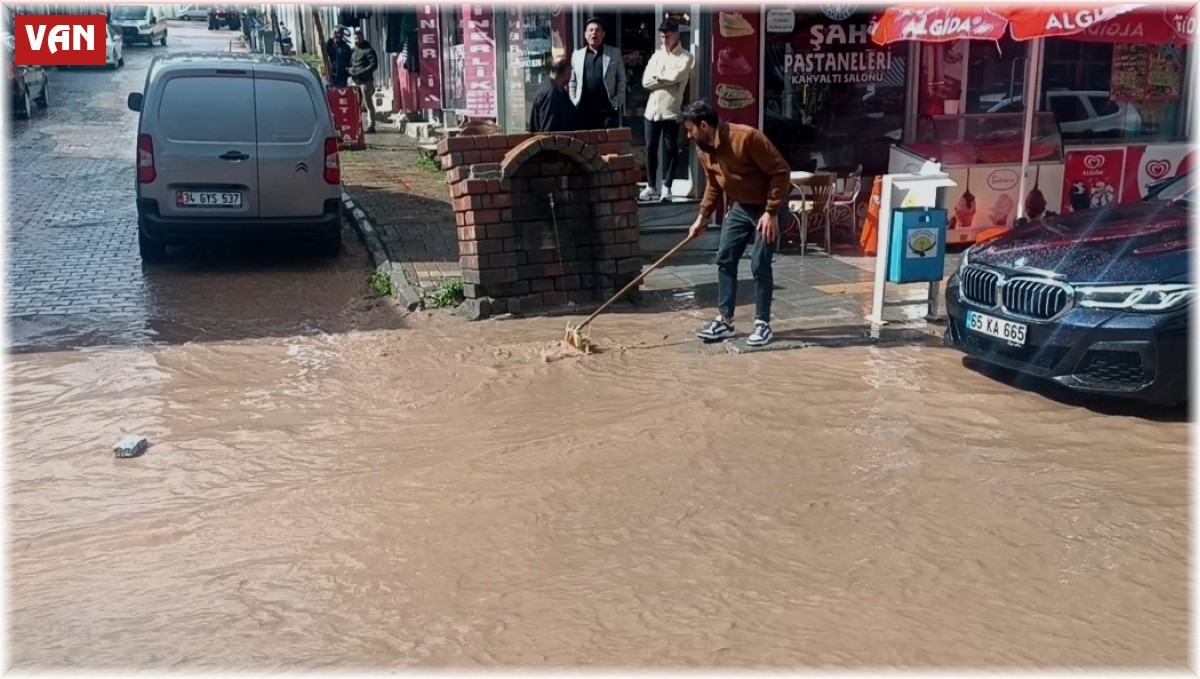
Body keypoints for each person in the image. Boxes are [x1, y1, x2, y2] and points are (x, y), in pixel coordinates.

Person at [683, 100, 791, 348]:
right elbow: (714, 184)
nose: (688, 135)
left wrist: (771, 211)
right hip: (741, 207)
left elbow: (781, 172)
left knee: (759, 263)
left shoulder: (747, 137)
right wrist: (702, 217)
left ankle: (762, 324)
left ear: (703, 125)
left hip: (768, 208)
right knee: (725, 258)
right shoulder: (704, 150)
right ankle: (725, 321)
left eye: (690, 129)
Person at [639, 19, 694, 202]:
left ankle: (667, 186)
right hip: (652, 111)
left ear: (677, 34)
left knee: (671, 150)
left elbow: (677, 76)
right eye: (662, 36)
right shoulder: (657, 55)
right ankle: (651, 186)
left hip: (671, 110)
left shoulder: (686, 56)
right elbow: (645, 82)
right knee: (650, 149)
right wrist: (666, 80)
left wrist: (659, 79)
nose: (665, 40)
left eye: (668, 36)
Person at [567, 18, 626, 130]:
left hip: (607, 109)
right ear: (585, 34)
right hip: (583, 110)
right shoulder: (577, 55)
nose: (594, 33)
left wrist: (617, 101)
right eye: (591, 30)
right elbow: (572, 81)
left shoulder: (614, 53)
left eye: (597, 30)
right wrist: (574, 101)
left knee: (608, 140)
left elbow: (621, 79)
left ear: (603, 34)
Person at [528, 58, 579, 133]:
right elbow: (548, 131)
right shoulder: (552, 94)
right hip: (558, 140)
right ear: (565, 72)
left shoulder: (549, 87)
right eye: (570, 72)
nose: (571, 77)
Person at [348, 29, 379, 132]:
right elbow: (350, 64)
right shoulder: (353, 51)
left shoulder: (369, 50)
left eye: (359, 38)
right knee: (355, 104)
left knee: (368, 103)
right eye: (355, 38)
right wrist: (350, 70)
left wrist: (362, 72)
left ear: (362, 38)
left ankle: (371, 125)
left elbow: (374, 65)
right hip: (355, 80)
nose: (357, 40)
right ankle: (356, 126)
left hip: (366, 81)